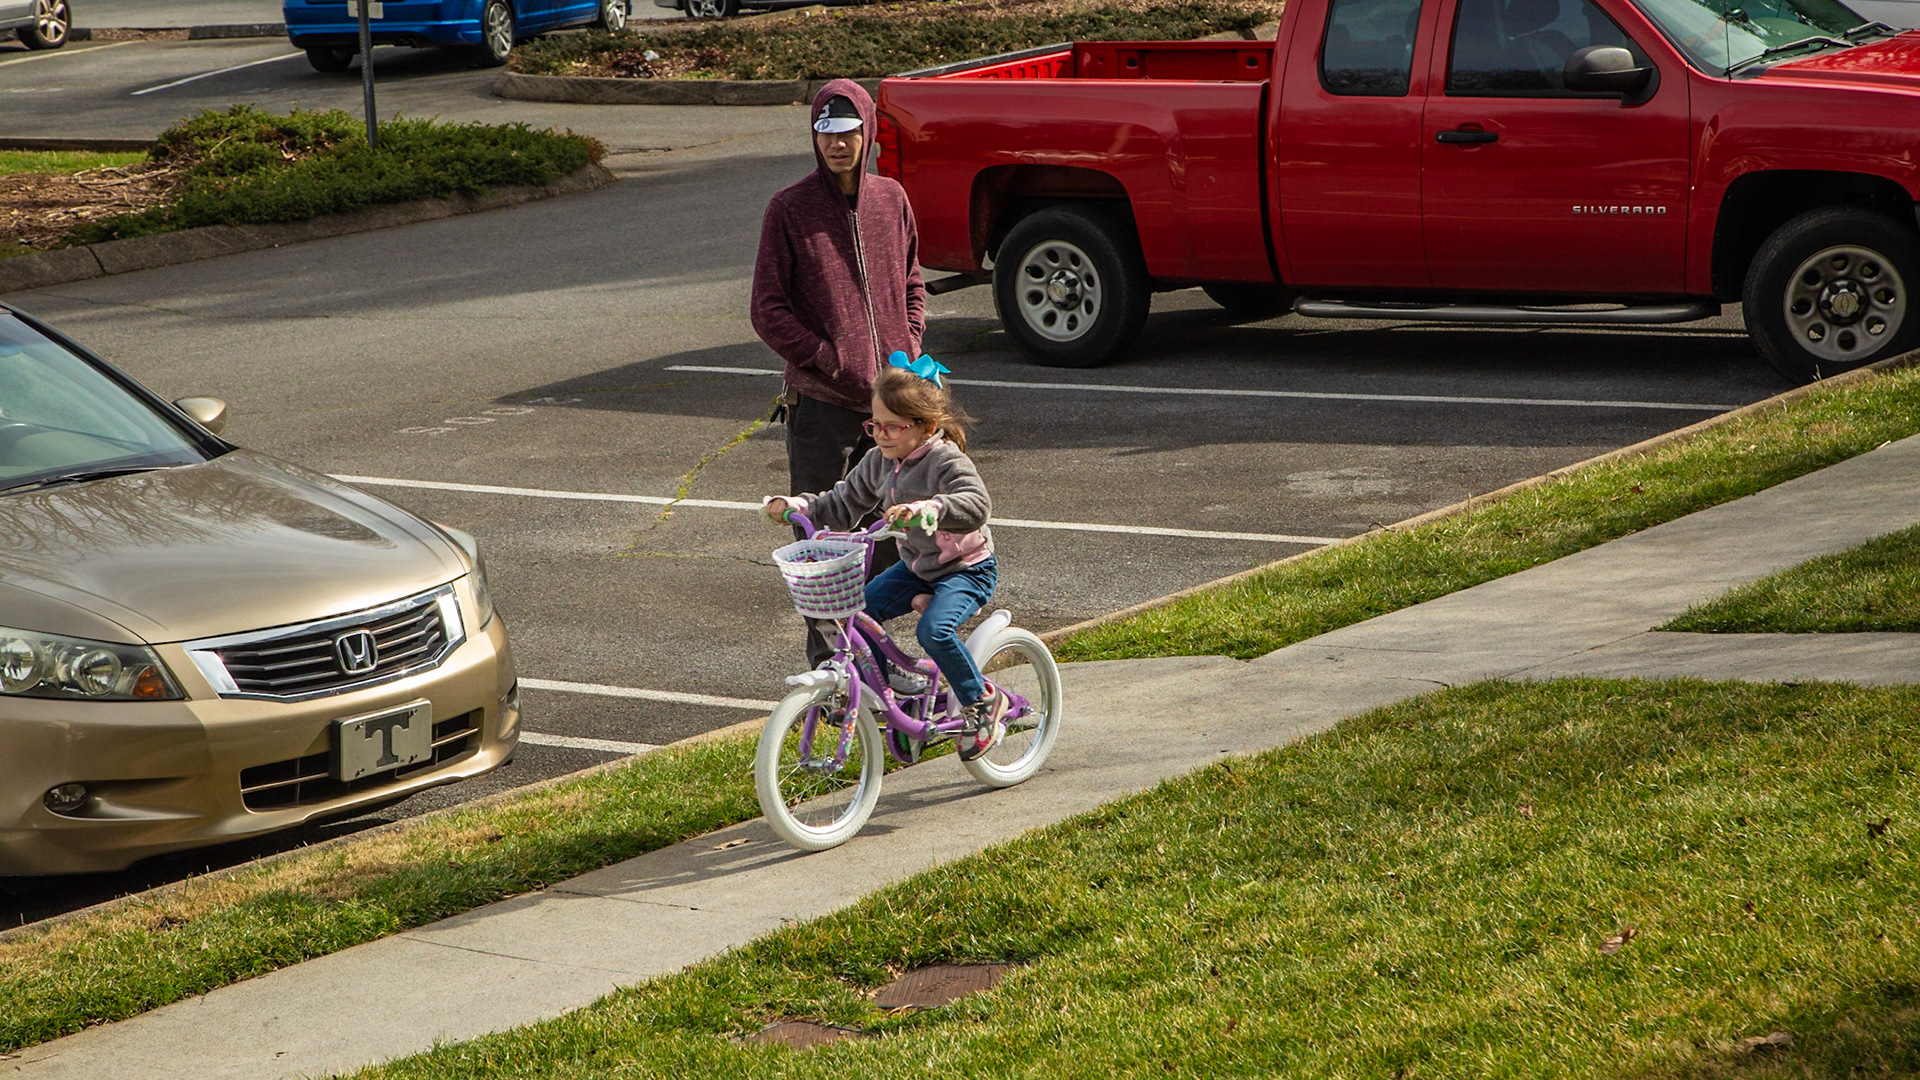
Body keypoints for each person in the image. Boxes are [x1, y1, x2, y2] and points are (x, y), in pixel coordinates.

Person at [752, 79, 927, 667]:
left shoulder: (891, 199)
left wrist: (905, 349)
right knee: (821, 546)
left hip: (888, 410)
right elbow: (767, 309)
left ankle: (873, 665)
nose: (838, 144)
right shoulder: (789, 209)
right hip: (822, 406)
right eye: (826, 133)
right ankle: (830, 679)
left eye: (849, 132)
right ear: (815, 138)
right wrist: (830, 359)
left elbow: (911, 283)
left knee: (884, 542)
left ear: (868, 132)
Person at [763, 360, 1006, 760]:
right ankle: (892, 692)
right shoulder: (879, 459)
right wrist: (799, 505)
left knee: (935, 631)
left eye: (894, 426)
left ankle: (981, 702)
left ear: (926, 426)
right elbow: (842, 502)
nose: (882, 435)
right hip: (917, 568)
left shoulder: (946, 461)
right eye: (875, 425)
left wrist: (933, 507)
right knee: (856, 613)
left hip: (966, 570)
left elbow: (977, 505)